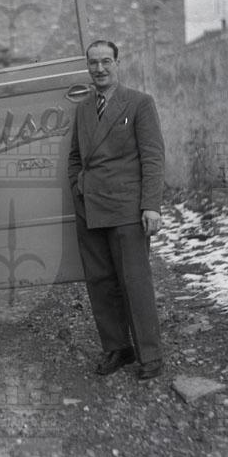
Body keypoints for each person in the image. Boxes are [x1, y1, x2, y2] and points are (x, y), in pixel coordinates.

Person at [68, 40, 165, 381]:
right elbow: (76, 157)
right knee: (100, 281)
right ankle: (118, 347)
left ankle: (150, 353)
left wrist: (151, 205)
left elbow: (153, 157)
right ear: (87, 67)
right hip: (91, 207)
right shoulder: (83, 109)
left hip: (126, 208)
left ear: (117, 63)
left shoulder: (139, 102)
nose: (99, 69)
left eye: (106, 61)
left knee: (135, 282)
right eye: (93, 63)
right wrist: (78, 187)